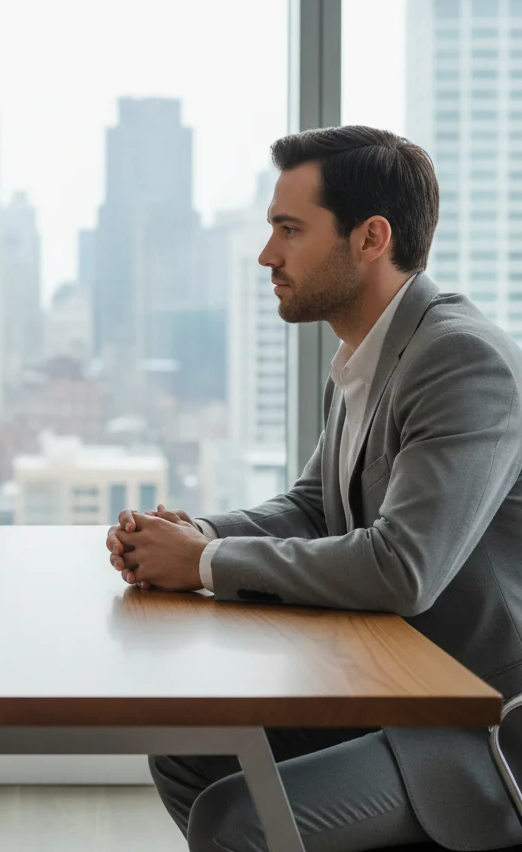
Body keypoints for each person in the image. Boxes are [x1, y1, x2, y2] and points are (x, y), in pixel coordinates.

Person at [106, 125, 522, 852]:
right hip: (393, 682)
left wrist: (202, 566)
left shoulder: (458, 359)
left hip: (477, 722)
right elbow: (312, 506)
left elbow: (403, 567)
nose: (267, 255)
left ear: (370, 238)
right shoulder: (369, 350)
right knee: (186, 751)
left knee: (236, 818)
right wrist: (200, 535)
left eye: (289, 230)